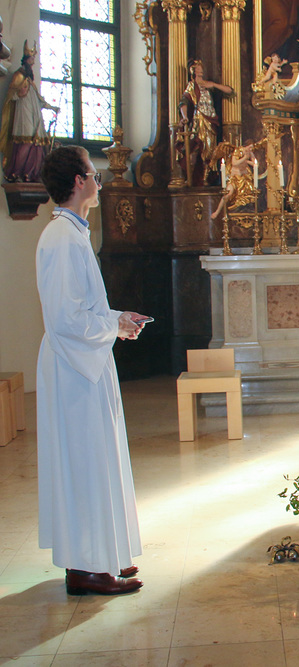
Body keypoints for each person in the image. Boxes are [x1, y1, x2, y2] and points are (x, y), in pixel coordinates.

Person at [36, 146, 149, 595]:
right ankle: (85, 568)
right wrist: (112, 326)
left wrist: (117, 318)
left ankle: (100, 555)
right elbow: (65, 319)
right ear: (78, 181)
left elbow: (83, 308)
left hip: (83, 364)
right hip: (74, 371)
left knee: (95, 459)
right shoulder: (63, 238)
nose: (99, 182)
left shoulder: (72, 233)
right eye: (93, 174)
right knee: (84, 463)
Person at [1, 41, 58, 182]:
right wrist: (20, 92)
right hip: (23, 114)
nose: (33, 61)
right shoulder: (18, 76)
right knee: (24, 141)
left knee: (36, 143)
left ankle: (31, 173)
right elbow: (11, 95)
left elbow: (38, 99)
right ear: (26, 60)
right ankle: (17, 172)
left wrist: (52, 107)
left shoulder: (30, 79)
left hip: (34, 114)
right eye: (31, 58)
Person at [178, 59, 233, 185]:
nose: (201, 70)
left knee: (210, 150)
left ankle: (205, 176)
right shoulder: (192, 86)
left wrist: (213, 85)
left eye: (201, 67)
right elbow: (184, 102)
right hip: (199, 120)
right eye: (198, 68)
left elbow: (230, 91)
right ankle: (191, 177)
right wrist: (185, 116)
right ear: (193, 70)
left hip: (211, 120)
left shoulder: (208, 84)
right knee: (197, 147)